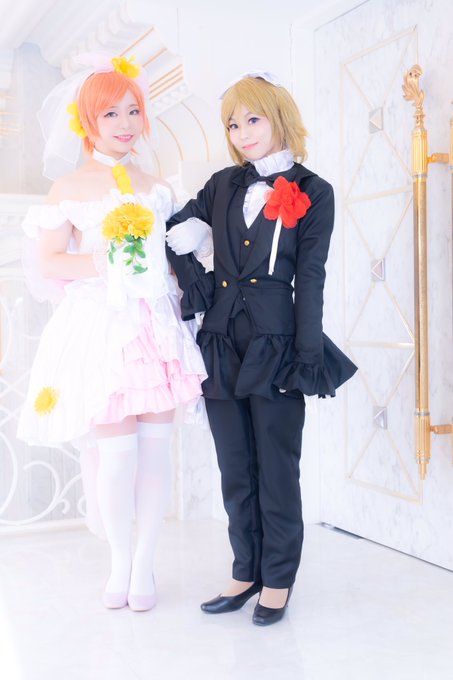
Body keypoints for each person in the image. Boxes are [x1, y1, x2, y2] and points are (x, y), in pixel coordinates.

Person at [165, 72, 357, 626]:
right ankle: (244, 569)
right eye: (232, 124)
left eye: (253, 119)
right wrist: (200, 283)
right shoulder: (222, 184)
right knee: (234, 465)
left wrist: (306, 355)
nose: (243, 132)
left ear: (278, 117)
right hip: (221, 341)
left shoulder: (314, 190)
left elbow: (311, 278)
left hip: (277, 343)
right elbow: (174, 230)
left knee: (277, 466)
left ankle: (278, 577)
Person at [17, 53, 207, 612]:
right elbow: (49, 261)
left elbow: (173, 261)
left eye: (133, 111)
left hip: (156, 327)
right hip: (103, 329)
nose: (125, 124)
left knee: (155, 453)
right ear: (87, 121)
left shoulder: (159, 187)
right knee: (117, 456)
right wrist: (104, 264)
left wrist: (189, 250)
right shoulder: (68, 188)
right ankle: (120, 562)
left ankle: (144, 564)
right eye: (111, 114)